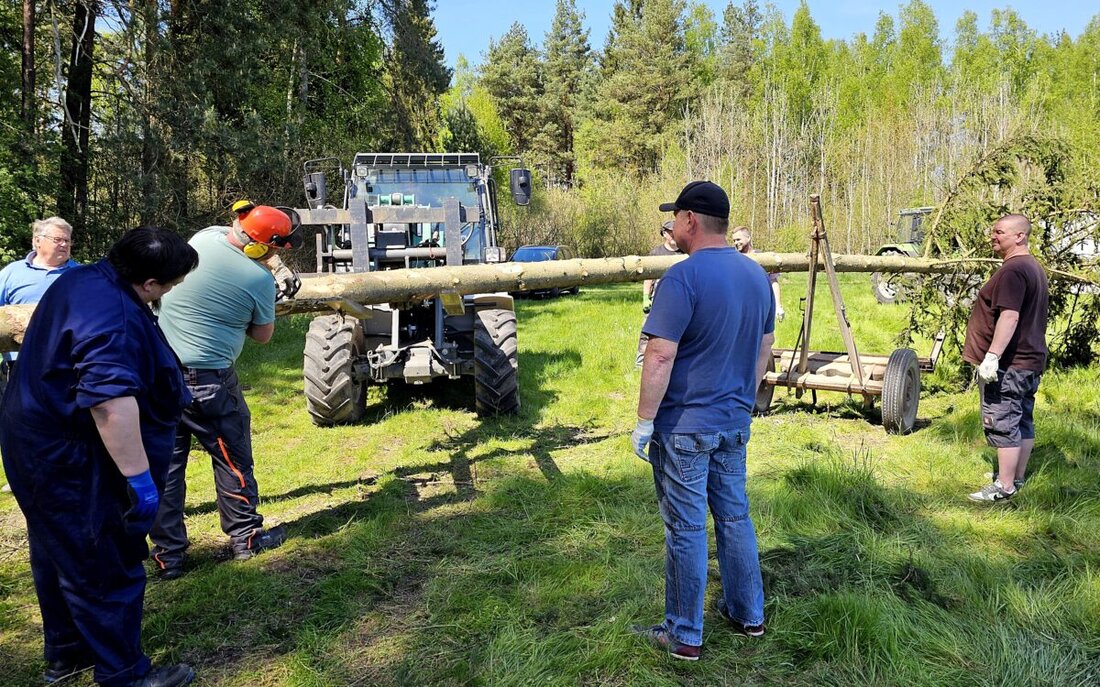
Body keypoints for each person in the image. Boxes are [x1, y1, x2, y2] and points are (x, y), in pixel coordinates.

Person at [0, 227, 199, 687]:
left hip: (33, 437)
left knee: (58, 550)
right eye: (168, 285)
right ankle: (123, 673)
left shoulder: (82, 279)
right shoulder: (115, 316)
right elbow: (109, 401)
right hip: (69, 454)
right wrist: (140, 480)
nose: (167, 293)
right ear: (149, 283)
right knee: (102, 556)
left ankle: (67, 655)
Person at [630, 181, 775, 661]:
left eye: (675, 217)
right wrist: (746, 401)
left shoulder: (681, 278)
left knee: (687, 528)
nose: (671, 226)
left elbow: (659, 356)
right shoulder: (757, 276)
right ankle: (748, 613)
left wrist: (645, 420)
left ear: (690, 219)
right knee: (735, 516)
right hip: (734, 422)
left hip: (686, 427)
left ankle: (683, 634)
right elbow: (763, 348)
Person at [150, 202, 303, 579]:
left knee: (165, 468)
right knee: (232, 459)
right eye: (273, 249)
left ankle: (167, 556)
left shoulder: (203, 239)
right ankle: (245, 539)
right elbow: (263, 336)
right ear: (262, 248)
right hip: (209, 382)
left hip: (159, 375)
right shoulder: (258, 279)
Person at [964, 214, 1049, 503]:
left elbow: (1009, 316)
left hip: (1011, 364)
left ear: (1019, 236)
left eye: (999, 232)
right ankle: (1017, 477)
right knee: (1022, 419)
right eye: (993, 231)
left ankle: (1005, 487)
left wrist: (992, 356)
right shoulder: (1032, 267)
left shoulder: (1013, 271)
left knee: (1003, 420)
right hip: (1029, 360)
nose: (993, 236)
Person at [0, 217, 81, 493]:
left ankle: (67, 471)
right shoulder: (11, 273)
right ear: (37, 241)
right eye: (57, 239)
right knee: (20, 420)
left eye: (67, 241)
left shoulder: (79, 275)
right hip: (19, 364)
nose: (64, 245)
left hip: (67, 364)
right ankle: (20, 474)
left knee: (65, 419)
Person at [636, 220, 682, 367]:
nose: (673, 234)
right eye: (670, 232)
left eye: (675, 231)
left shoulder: (685, 252)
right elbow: (648, 278)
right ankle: (641, 362)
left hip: (678, 296)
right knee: (647, 330)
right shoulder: (656, 253)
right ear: (664, 233)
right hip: (658, 296)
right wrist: (645, 297)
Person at [731, 225, 784, 322]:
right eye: (734, 240)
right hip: (739, 308)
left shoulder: (762, 258)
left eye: (738, 239)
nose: (736, 243)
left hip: (760, 307)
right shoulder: (734, 259)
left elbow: (773, 281)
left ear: (748, 238)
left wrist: (778, 306)